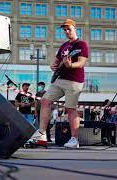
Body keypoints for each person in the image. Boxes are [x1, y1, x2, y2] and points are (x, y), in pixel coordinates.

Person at [31, 18, 89, 148]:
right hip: (59, 80)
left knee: (70, 109)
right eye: (65, 30)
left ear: (75, 28)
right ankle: (41, 133)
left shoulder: (81, 44)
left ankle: (74, 140)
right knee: (45, 101)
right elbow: (56, 62)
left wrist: (71, 65)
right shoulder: (64, 46)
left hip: (74, 81)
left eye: (69, 29)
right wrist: (54, 66)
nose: (67, 31)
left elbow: (81, 62)